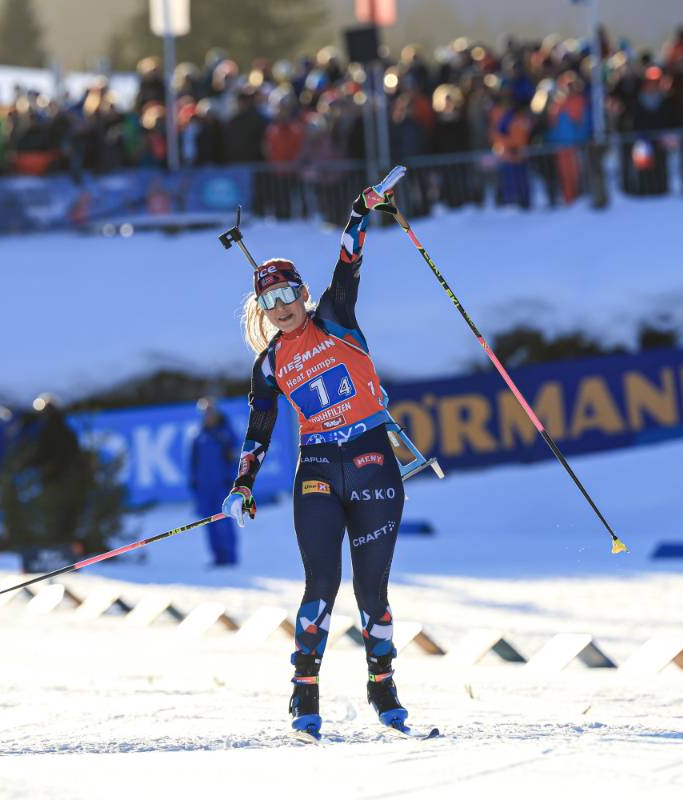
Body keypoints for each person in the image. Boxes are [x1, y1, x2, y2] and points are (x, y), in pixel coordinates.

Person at [221, 170, 412, 741]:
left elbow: (349, 264)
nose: (280, 306)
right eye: (268, 300)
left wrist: (359, 212)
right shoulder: (269, 364)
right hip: (319, 469)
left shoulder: (334, 316)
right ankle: (304, 694)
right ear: (260, 308)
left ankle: (384, 688)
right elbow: (259, 428)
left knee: (372, 591)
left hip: (374, 456)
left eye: (287, 294)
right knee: (320, 586)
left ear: (302, 294)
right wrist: (243, 484)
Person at [189, 398, 240, 565]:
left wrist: (231, 481)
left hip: (222, 485)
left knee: (224, 521)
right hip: (205, 488)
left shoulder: (226, 434)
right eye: (205, 412)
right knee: (208, 523)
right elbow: (193, 462)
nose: (208, 415)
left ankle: (229, 557)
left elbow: (236, 460)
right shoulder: (198, 436)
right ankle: (217, 557)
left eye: (210, 411)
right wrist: (194, 481)